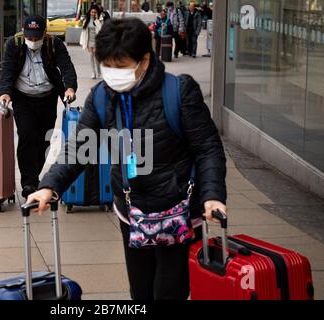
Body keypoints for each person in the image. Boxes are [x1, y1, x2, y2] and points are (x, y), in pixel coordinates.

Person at [26, 18, 227, 300]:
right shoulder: (101, 97)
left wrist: (213, 195)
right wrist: (50, 186)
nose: (112, 73)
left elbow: (208, 148)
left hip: (178, 212)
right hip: (131, 211)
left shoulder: (179, 91)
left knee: (168, 292)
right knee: (141, 293)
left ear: (144, 60)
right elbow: (79, 147)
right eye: (107, 65)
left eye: (120, 67)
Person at [0, 15, 78, 199]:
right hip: (22, 98)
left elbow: (66, 67)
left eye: (36, 38)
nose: (33, 41)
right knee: (26, 136)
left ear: (44, 33)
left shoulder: (53, 44)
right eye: (30, 38)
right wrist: (5, 92)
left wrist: (70, 88)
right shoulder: (15, 44)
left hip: (47, 97)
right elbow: (7, 69)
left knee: (44, 139)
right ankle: (28, 183)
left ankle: (34, 177)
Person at [80, 5, 103, 79]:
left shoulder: (100, 19)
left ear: (97, 13)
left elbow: (100, 30)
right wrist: (84, 42)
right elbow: (84, 32)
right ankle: (93, 72)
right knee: (91, 57)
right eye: (92, 12)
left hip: (97, 41)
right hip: (89, 40)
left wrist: (96, 20)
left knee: (96, 58)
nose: (93, 13)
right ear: (90, 12)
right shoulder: (86, 20)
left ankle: (99, 72)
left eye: (95, 12)